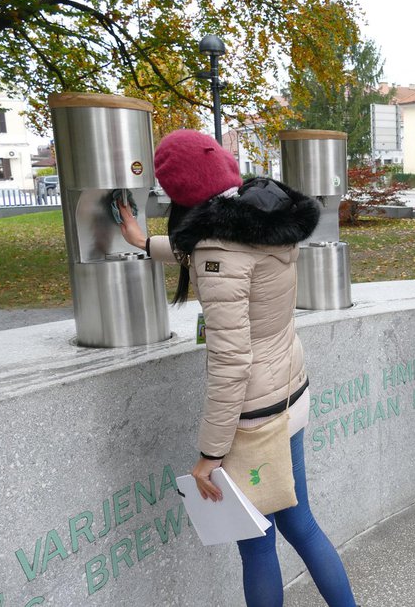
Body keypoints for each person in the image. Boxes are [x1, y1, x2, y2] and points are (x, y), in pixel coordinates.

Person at [116, 130, 356, 607]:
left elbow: (230, 363)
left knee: (258, 540)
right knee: (299, 522)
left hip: (255, 414)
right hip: (290, 389)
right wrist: (147, 244)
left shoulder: (218, 251)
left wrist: (210, 452)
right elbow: (213, 251)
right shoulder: (261, 215)